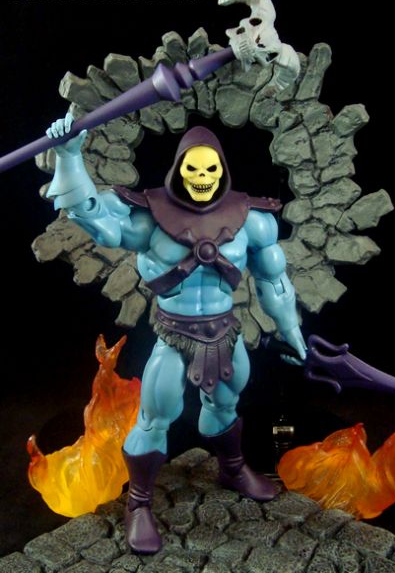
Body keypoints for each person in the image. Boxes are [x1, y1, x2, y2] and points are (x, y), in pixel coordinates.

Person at [46, 113, 306, 553]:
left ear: (222, 170)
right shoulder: (150, 217)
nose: (202, 177)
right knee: (155, 417)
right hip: (173, 337)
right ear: (179, 169)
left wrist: (292, 330)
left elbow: (273, 280)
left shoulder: (252, 219)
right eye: (193, 168)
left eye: (210, 169)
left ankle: (232, 468)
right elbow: (94, 219)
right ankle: (139, 502)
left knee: (225, 405)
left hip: (225, 334)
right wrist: (69, 156)